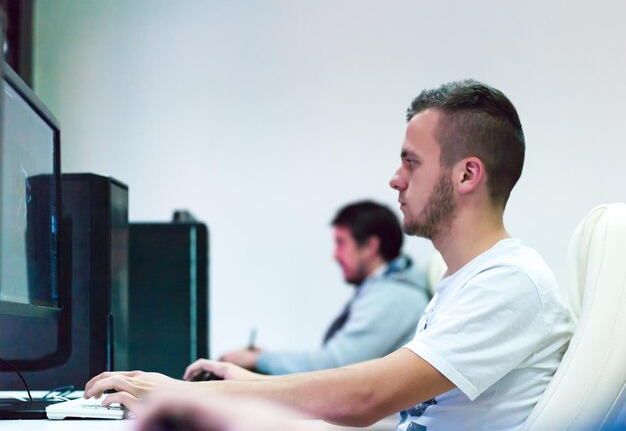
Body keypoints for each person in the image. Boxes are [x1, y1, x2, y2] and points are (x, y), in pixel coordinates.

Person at [84, 79, 575, 431]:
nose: (395, 179)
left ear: (467, 175)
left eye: (411, 162)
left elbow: (367, 397)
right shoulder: (463, 282)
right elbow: (390, 407)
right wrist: (240, 391)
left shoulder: (511, 281)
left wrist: (190, 394)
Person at [220, 200, 430, 374]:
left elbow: (334, 366)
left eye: (341, 243)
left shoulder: (394, 298)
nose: (335, 255)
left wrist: (259, 360)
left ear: (370, 246)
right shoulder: (384, 290)